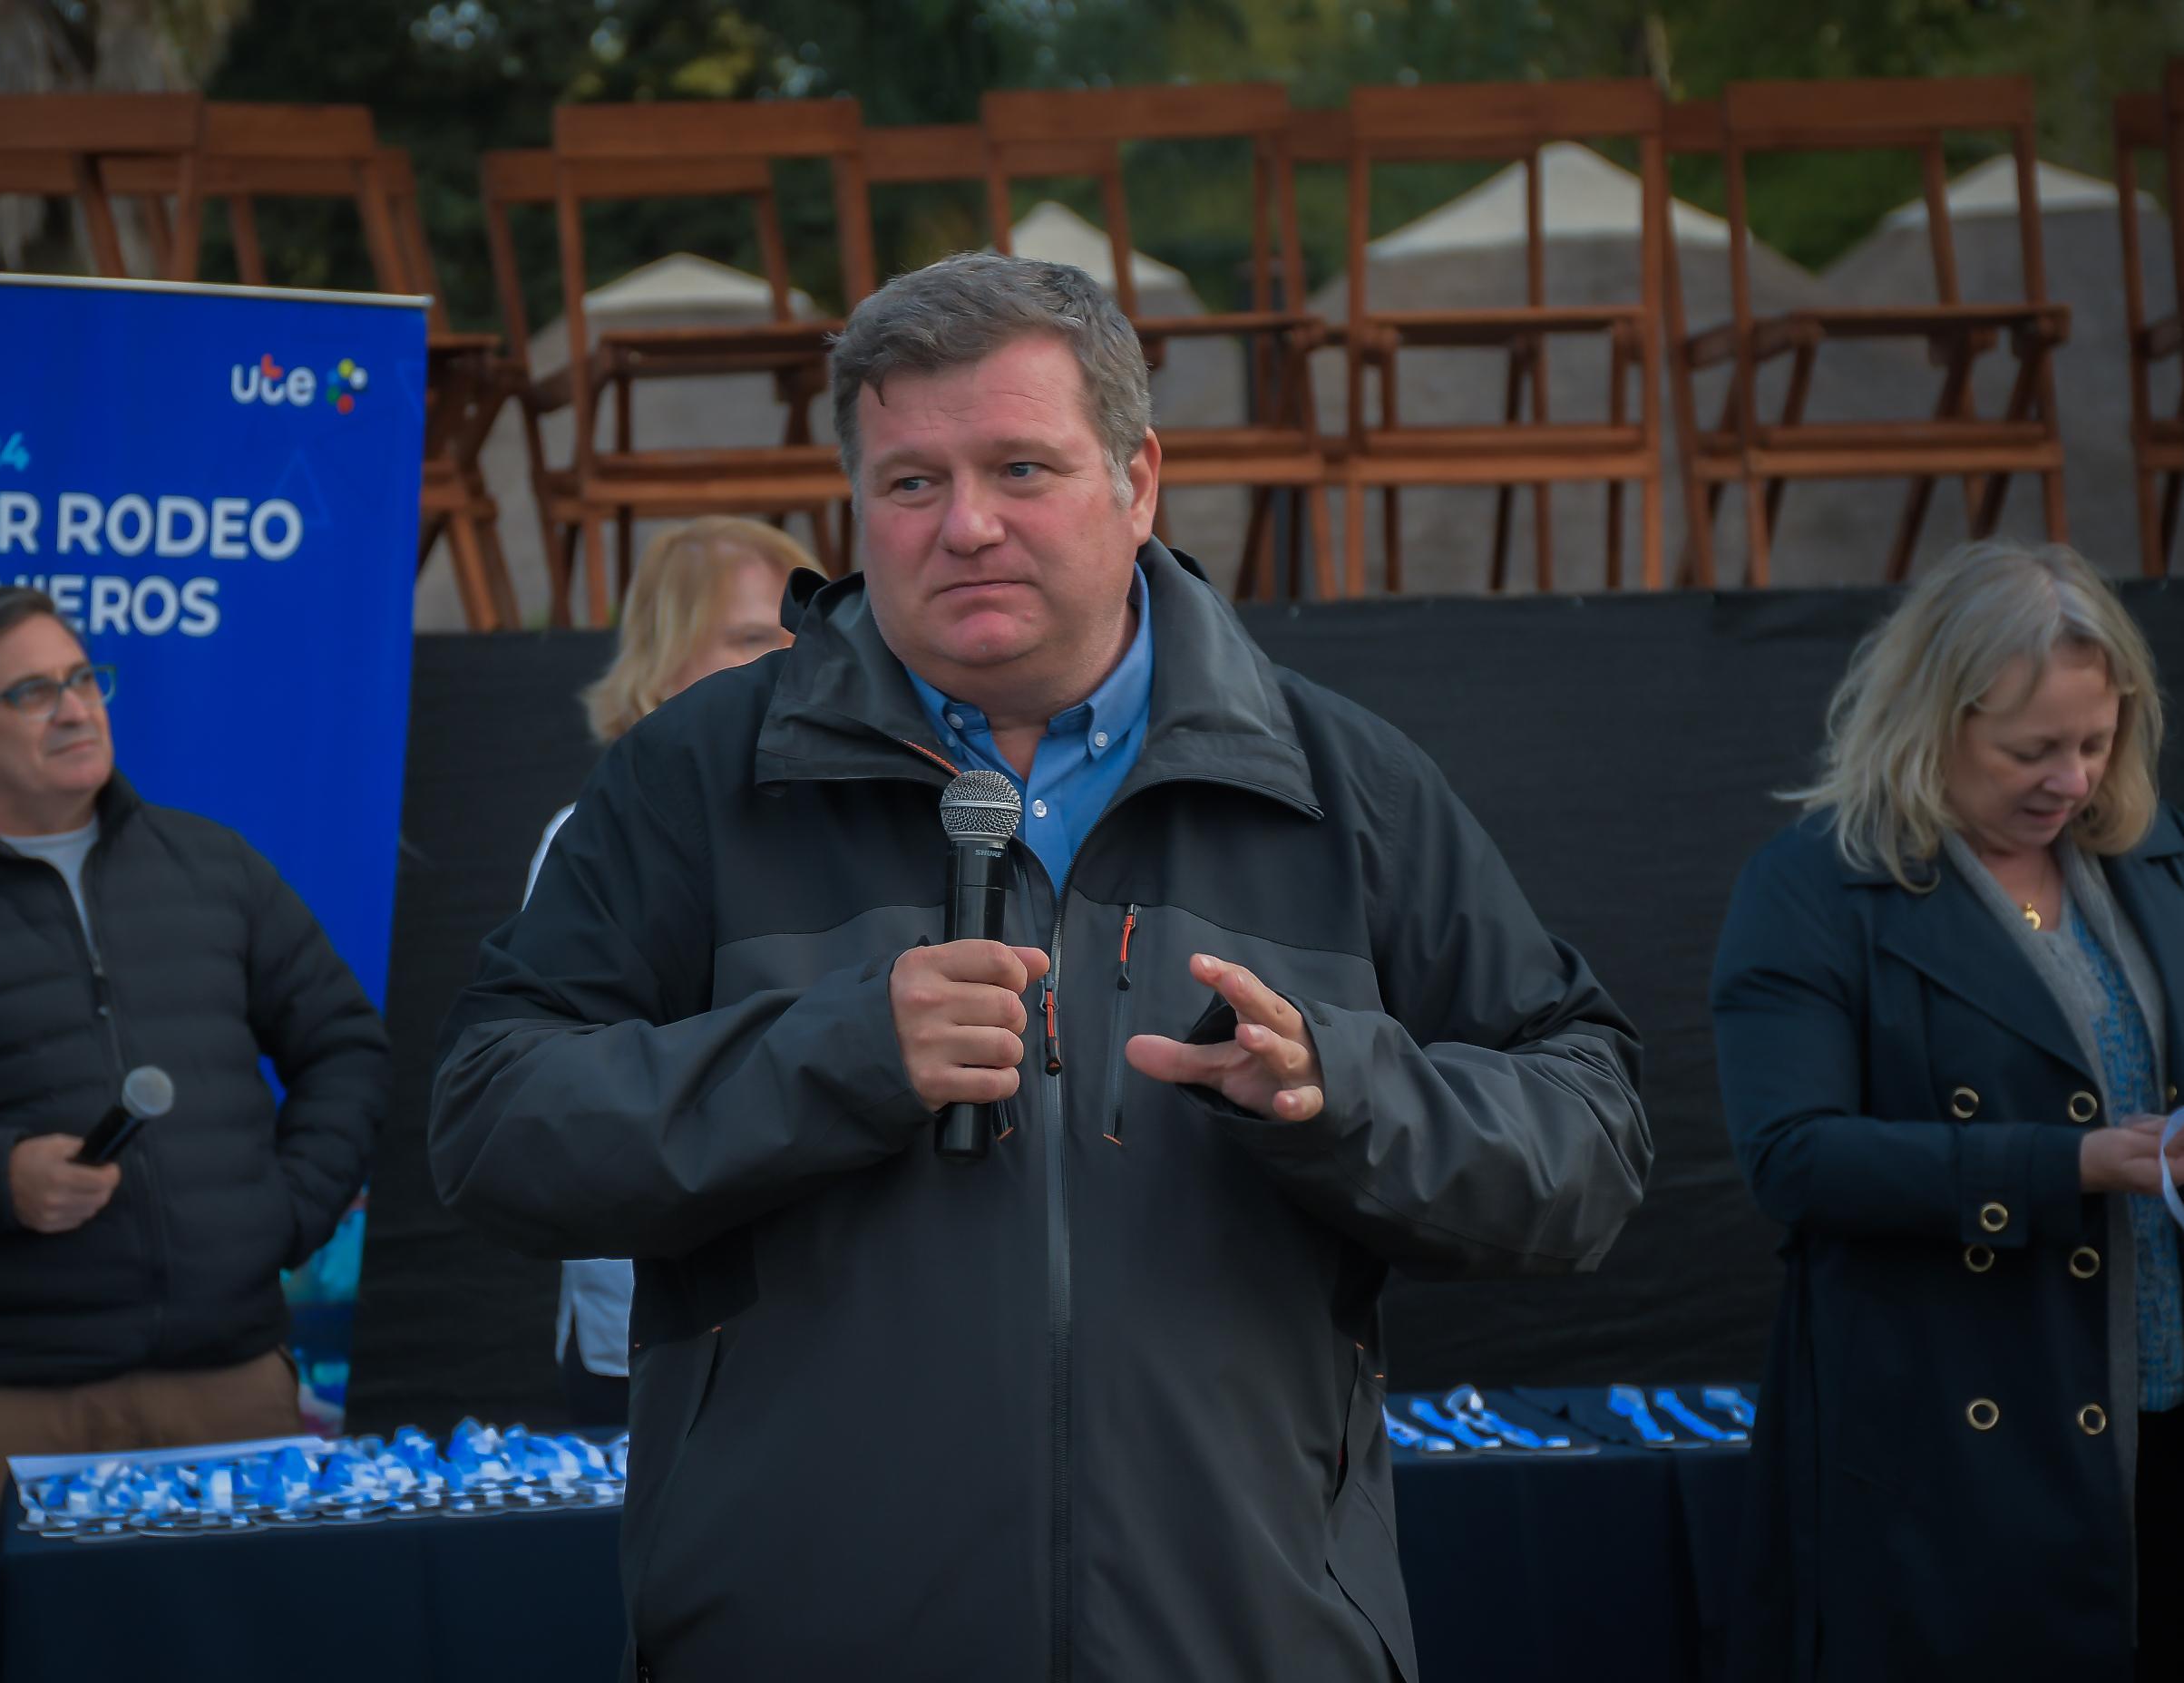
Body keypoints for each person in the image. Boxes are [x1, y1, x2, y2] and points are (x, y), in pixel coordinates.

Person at [433, 250, 1650, 1681]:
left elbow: (1592, 1138)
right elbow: (493, 1120)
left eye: (1022, 469)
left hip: (1237, 1640)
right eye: (910, 483)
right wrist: (833, 1057)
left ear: (1137, 482)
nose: (966, 527)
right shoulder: (698, 780)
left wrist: (1353, 1093)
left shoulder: (1340, 783)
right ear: (857, 505)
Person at [0, 587, 390, 1683]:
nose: (75, 708)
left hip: (234, 1395)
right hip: (12, 1416)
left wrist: (279, 1217)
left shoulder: (217, 868)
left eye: (84, 677)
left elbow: (346, 1045)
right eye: (32, 689)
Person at [1711, 540, 2184, 1680]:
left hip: (2169, 1422)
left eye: (2098, 740)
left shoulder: (2161, 857)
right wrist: (2065, 1163)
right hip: (1963, 1452)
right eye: (2030, 748)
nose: (2073, 779)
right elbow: (1794, 1158)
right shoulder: (1814, 888)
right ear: (1930, 721)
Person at [531, 516, 825, 1427]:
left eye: (798, 635)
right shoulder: (596, 840)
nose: (785, 660)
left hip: (827, 1327)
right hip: (671, 1339)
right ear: (661, 665)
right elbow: (578, 1095)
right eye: (748, 638)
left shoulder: (844, 826)